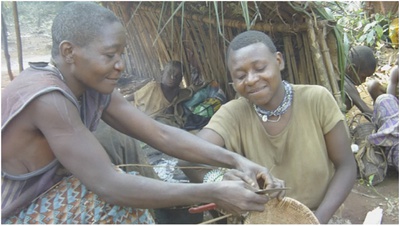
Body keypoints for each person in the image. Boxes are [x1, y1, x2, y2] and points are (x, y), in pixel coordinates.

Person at [1, 3, 285, 224]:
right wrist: (213, 191)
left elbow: (159, 133)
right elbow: (108, 185)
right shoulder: (49, 98)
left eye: (121, 54)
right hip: (19, 213)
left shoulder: (90, 86)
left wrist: (237, 161)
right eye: (110, 55)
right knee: (114, 202)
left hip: (57, 195)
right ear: (69, 52)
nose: (120, 65)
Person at [180, 30, 357, 224]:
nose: (251, 79)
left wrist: (314, 221)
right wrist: (218, 181)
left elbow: (346, 165)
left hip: (320, 215)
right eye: (240, 75)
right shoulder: (232, 114)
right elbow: (187, 160)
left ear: (279, 61)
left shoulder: (316, 99)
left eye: (260, 68)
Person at [342, 46, 377, 117]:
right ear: (351, 69)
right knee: (348, 101)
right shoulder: (346, 85)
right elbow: (367, 112)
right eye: (363, 77)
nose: (364, 81)